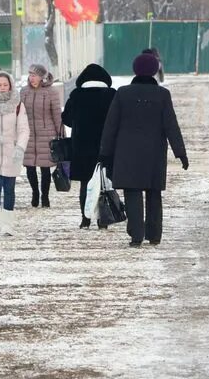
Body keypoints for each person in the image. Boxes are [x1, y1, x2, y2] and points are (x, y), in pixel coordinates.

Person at [99, 52, 188, 247]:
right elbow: (171, 125)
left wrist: (105, 152)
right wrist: (180, 152)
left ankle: (136, 235)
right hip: (154, 152)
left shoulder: (123, 93)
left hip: (127, 152)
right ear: (155, 71)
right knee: (153, 193)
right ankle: (154, 234)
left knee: (132, 193)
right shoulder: (162, 95)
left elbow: (111, 125)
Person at [61, 63, 116, 229]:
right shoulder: (111, 94)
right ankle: (103, 219)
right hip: (105, 145)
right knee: (104, 182)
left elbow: (66, 118)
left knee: (86, 183)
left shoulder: (77, 95)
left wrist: (79, 123)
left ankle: (85, 219)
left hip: (82, 146)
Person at [0, 70, 29, 235]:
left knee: (9, 189)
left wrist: (20, 147)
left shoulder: (18, 105)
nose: (2, 87)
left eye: (5, 84)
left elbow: (24, 129)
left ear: (10, 85)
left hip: (12, 152)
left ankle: (7, 225)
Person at [20, 64, 63, 207]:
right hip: (29, 133)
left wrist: (61, 134)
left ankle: (45, 196)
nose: (32, 78)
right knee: (29, 166)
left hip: (47, 133)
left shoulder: (51, 92)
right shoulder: (24, 91)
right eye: (30, 74)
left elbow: (57, 115)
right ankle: (35, 193)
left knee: (45, 168)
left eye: (35, 75)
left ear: (42, 77)